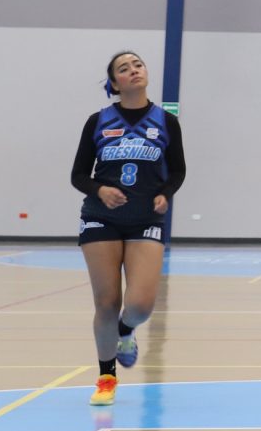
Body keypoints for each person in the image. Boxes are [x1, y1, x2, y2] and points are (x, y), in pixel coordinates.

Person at [72, 51, 186, 408]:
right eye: (124, 68)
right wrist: (100, 190)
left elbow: (178, 170)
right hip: (100, 218)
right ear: (115, 82)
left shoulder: (166, 122)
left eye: (138, 64)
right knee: (107, 303)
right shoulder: (98, 121)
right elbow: (78, 175)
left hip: (145, 220)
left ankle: (126, 331)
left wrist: (166, 193)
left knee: (139, 305)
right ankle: (106, 378)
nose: (134, 70)